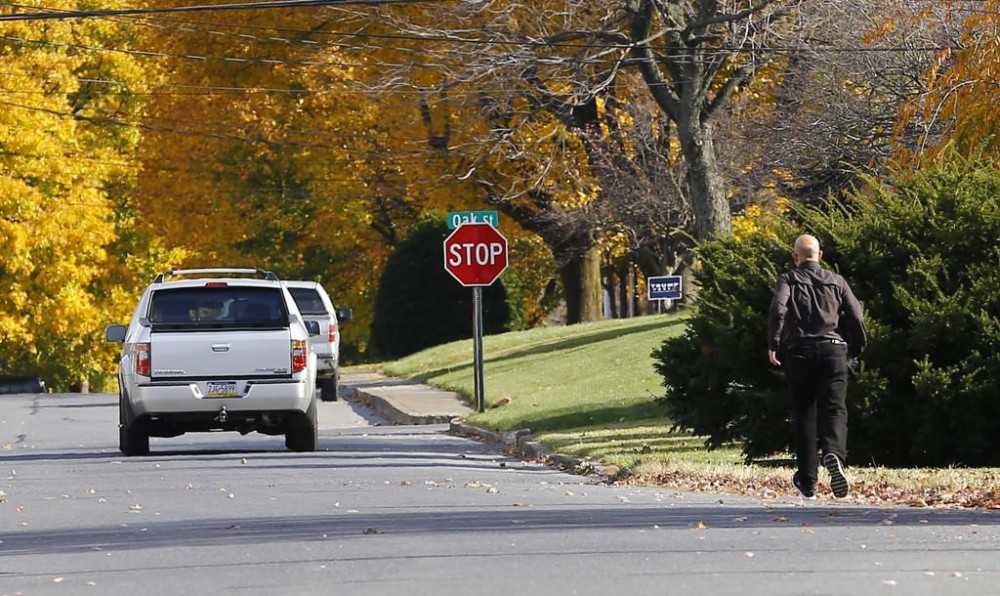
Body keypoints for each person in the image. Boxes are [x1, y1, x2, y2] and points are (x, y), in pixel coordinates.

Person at [768, 234, 866, 499]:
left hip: (799, 352)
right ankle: (834, 453)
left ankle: (808, 481)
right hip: (833, 350)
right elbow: (856, 316)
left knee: (804, 415)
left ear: (795, 256)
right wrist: (856, 348)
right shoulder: (837, 281)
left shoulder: (788, 279)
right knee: (835, 409)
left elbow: (778, 309)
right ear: (820, 255)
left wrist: (773, 343)